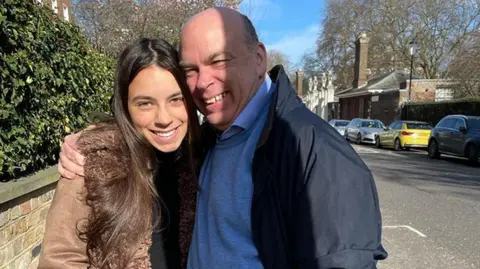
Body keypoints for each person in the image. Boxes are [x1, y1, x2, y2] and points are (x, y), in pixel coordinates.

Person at [59, 7, 388, 269]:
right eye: (191, 70)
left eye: (219, 61)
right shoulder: (209, 140)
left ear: (259, 57)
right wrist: (90, 143)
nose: (204, 82)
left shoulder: (311, 150)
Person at [38, 38, 201, 269]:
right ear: (125, 107)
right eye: (145, 104)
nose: (164, 118)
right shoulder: (91, 164)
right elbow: (60, 260)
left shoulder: (202, 158)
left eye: (176, 99)